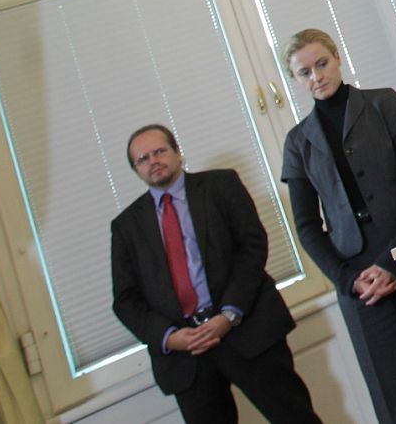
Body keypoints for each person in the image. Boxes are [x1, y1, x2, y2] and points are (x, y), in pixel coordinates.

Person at [279, 30, 396, 424]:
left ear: (337, 57)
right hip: (357, 278)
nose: (316, 77)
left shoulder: (384, 103)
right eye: (304, 72)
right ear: (295, 80)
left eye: (322, 64)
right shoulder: (297, 142)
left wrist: (392, 261)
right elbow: (306, 226)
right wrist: (347, 280)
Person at [110, 124, 321, 424]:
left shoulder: (221, 185)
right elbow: (126, 300)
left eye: (159, 151)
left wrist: (229, 315)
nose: (153, 161)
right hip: (187, 355)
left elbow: (252, 246)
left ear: (177, 152)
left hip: (246, 330)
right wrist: (169, 338)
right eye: (143, 159)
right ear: (136, 169)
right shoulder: (126, 227)